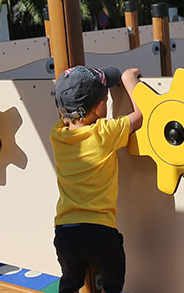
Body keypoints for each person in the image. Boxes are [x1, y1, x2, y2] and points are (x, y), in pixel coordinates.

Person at [50, 65, 143, 293]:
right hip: (100, 233)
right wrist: (129, 80)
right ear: (101, 107)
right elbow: (140, 116)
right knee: (114, 282)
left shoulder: (57, 135)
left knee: (70, 282)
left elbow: (69, 117)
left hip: (65, 232)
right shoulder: (103, 133)